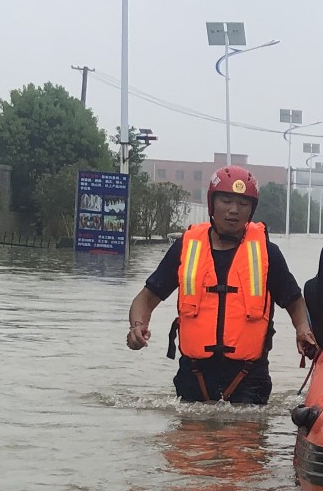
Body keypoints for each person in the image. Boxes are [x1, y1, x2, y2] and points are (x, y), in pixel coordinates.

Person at [126, 165, 313, 404]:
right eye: (226, 201)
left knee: (244, 438)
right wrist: (137, 327)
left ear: (251, 210)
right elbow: (146, 299)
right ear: (212, 204)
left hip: (249, 377)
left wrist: (303, 330)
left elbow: (295, 303)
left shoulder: (267, 253)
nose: (233, 210)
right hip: (194, 375)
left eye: (243, 204)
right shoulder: (185, 248)